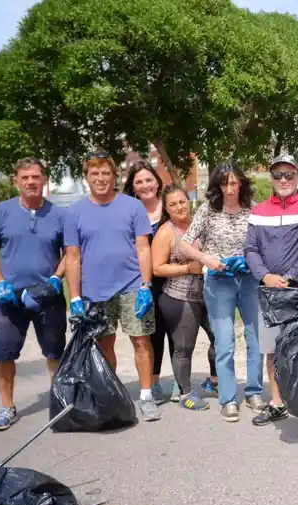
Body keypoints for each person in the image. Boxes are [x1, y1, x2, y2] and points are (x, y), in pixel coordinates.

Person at [64, 151, 160, 422]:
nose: (101, 178)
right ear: (87, 179)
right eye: (95, 174)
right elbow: (72, 256)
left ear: (114, 176)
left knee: (141, 341)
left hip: (131, 286)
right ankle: (112, 394)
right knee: (105, 344)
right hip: (94, 291)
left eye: (106, 173)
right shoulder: (74, 212)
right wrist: (74, 297)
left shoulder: (132, 206)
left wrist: (145, 285)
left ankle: (146, 395)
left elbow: (143, 248)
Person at [0, 157, 66, 431]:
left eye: (36, 176)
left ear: (44, 180)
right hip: (10, 296)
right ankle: (7, 407)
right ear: (16, 180)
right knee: (3, 353)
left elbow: (71, 254)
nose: (31, 181)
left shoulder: (59, 214)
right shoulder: (1, 212)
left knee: (54, 351)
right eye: (25, 177)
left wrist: (56, 278)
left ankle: (58, 402)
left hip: (47, 294)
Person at [179, 162, 265, 422]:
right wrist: (206, 259)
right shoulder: (207, 211)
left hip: (248, 280)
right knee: (225, 341)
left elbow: (263, 245)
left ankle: (254, 391)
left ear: (242, 184)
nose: (230, 188)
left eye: (235, 183)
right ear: (218, 185)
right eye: (225, 183)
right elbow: (184, 245)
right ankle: (228, 398)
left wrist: (251, 262)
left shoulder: (253, 211)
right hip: (219, 281)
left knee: (255, 338)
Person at [244, 154, 298, 426]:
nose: (283, 180)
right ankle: (277, 404)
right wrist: (265, 276)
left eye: (289, 174)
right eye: (278, 175)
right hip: (269, 294)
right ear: (272, 178)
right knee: (273, 351)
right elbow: (250, 249)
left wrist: (289, 277)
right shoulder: (259, 211)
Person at [151, 184, 217, 411]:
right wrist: (189, 267)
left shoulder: (199, 225)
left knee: (220, 338)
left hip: (209, 294)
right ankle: (185, 393)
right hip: (179, 297)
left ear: (188, 200)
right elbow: (157, 269)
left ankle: (214, 381)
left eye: (182, 201)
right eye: (173, 204)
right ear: (166, 208)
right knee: (184, 347)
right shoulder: (165, 233)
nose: (179, 207)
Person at [124, 160, 174, 404]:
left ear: (158, 181)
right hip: (141, 283)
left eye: (149, 179)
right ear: (133, 187)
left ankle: (180, 383)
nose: (145, 185)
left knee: (177, 332)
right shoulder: (128, 211)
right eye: (139, 182)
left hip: (174, 279)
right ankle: (153, 383)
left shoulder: (172, 206)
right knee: (151, 334)